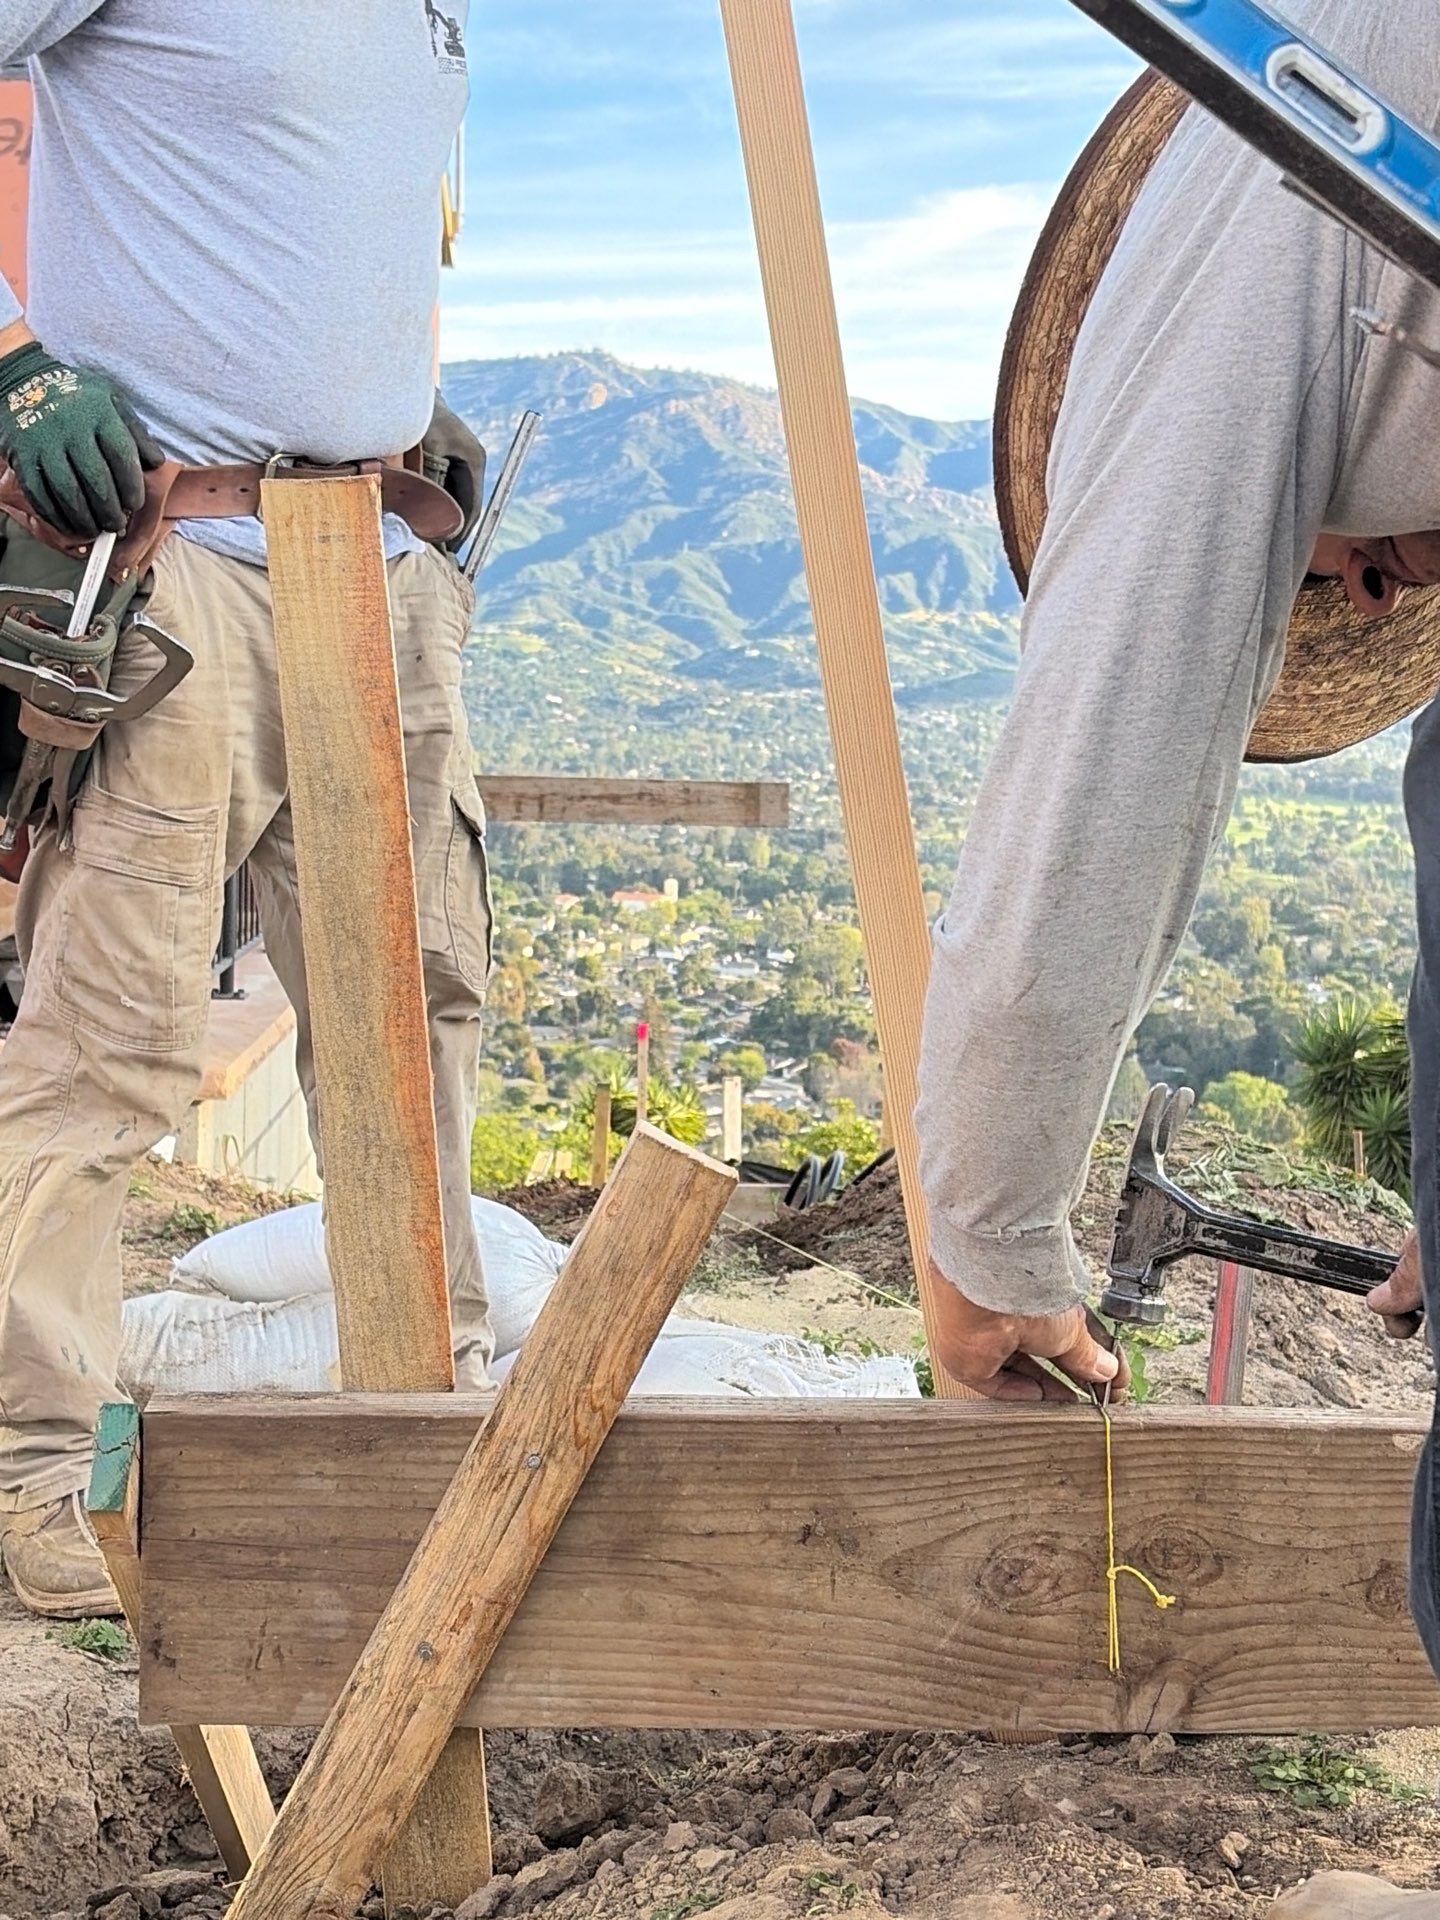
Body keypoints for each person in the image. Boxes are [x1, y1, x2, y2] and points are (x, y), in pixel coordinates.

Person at [917, 5, 1440, 1905]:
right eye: (1351, 567)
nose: (1362, 582)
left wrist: (982, 1230)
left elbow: (1112, 729)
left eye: (1347, 560)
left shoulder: (1281, 168)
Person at [0, 2, 495, 1618]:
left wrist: (394, 405)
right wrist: (9, 368)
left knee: (415, 1016)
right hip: (179, 566)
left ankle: (435, 1424)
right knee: (110, 1038)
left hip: (382, 559)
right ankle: (39, 1478)